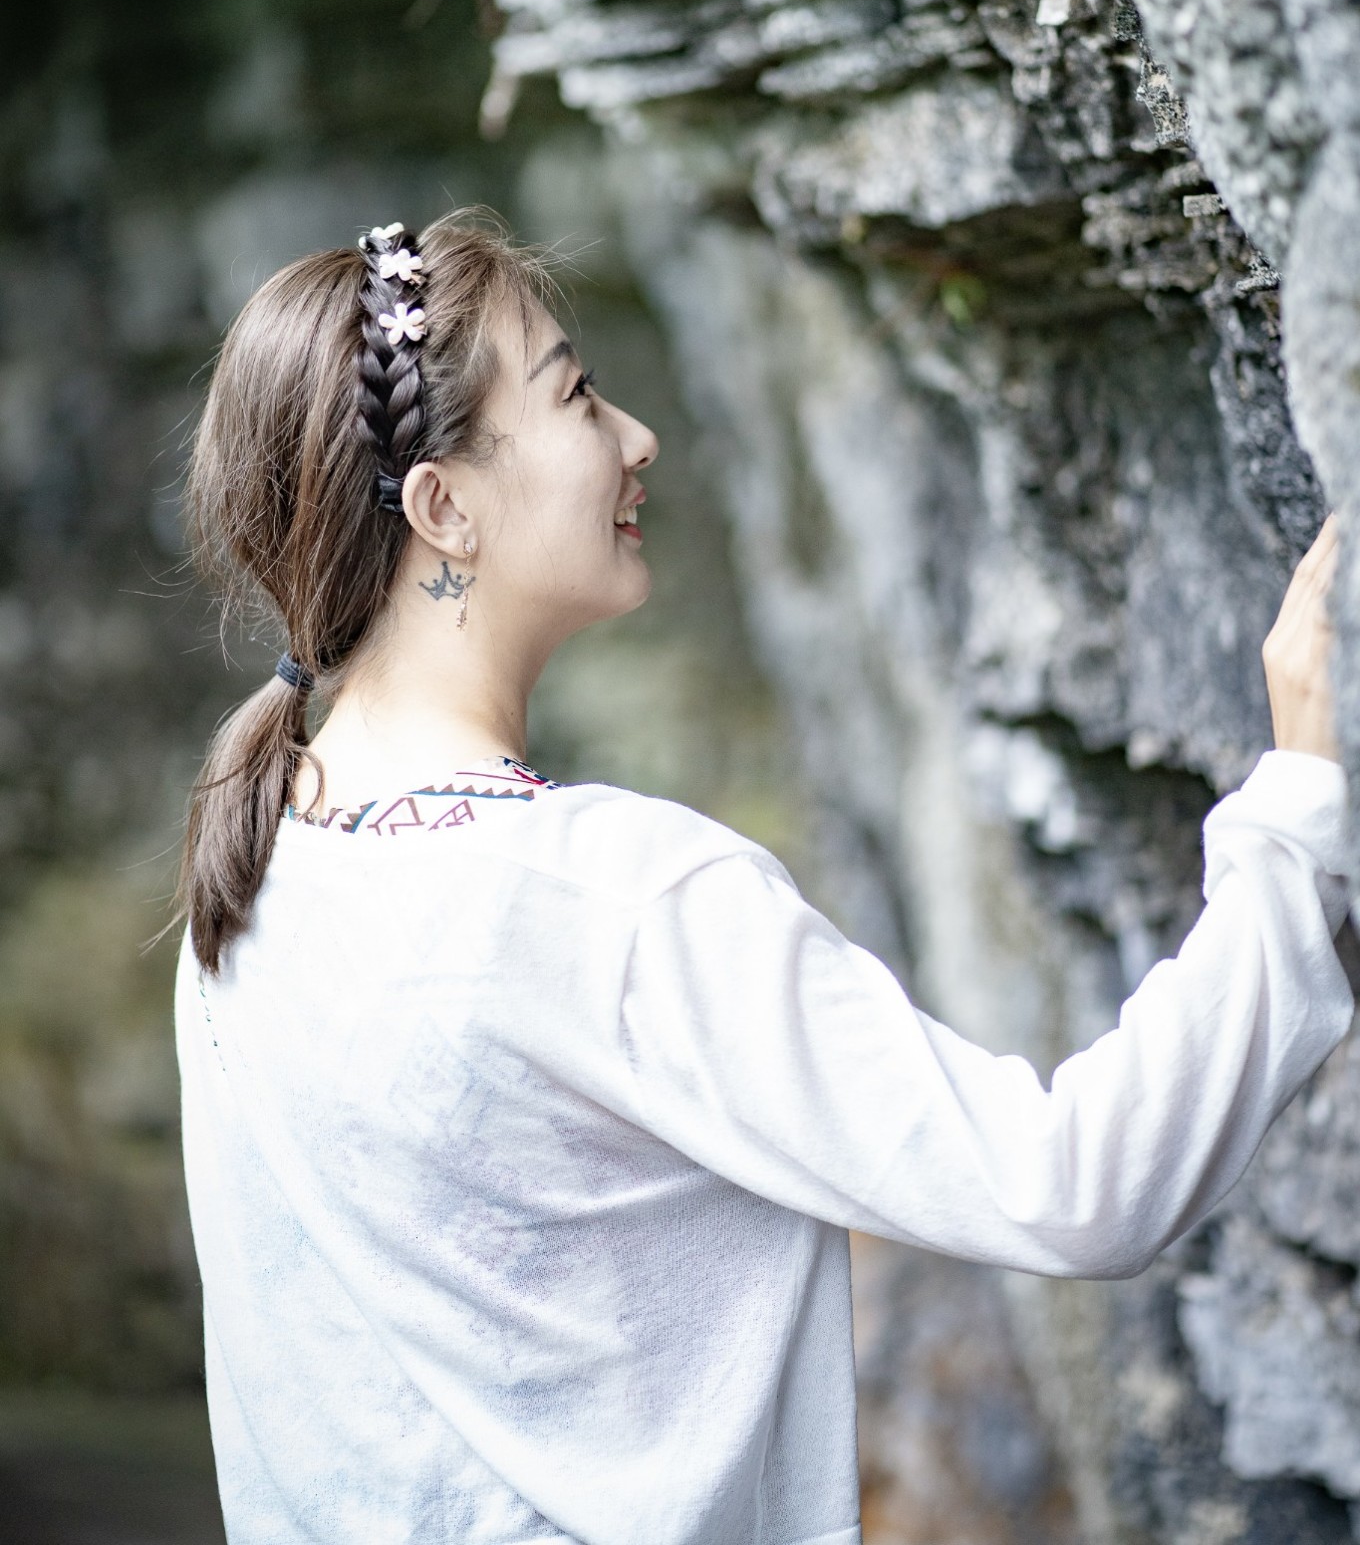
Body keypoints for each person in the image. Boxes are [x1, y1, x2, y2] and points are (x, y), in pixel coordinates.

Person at [176, 213, 1353, 1545]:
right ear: (444, 507)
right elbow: (1078, 1184)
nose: (636, 437)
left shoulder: (255, 872)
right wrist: (1300, 809)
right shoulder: (612, 897)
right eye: (574, 393)